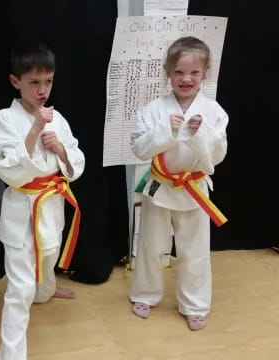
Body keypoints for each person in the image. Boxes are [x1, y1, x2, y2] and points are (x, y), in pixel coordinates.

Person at [0, 43, 85, 360]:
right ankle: (11, 355)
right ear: (16, 81)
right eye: (34, 83)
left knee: (48, 258)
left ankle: (46, 290)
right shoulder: (4, 119)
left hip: (51, 204)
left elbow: (76, 162)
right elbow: (6, 169)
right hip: (22, 206)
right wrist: (34, 130)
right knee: (20, 289)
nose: (43, 90)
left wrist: (60, 151)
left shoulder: (58, 119)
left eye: (48, 82)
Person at [129, 36, 228, 331]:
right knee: (150, 245)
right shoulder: (152, 110)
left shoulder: (214, 112)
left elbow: (219, 154)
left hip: (194, 190)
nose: (186, 79)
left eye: (194, 73)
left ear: (205, 72)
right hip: (159, 187)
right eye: (179, 72)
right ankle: (145, 294)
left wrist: (200, 135)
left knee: (194, 250)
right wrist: (164, 131)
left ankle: (195, 304)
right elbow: (139, 149)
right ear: (168, 72)